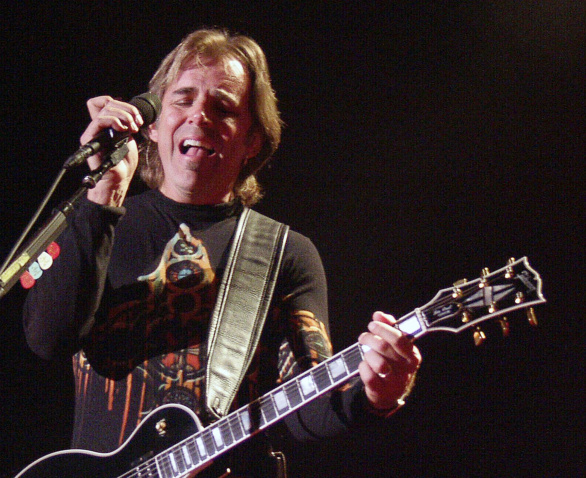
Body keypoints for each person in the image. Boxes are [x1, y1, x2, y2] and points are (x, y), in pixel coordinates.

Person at [21, 28, 421, 477]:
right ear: (150, 123)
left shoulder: (284, 254)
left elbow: (309, 408)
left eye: (223, 108)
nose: (199, 117)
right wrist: (103, 198)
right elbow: (47, 339)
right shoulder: (101, 222)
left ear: (252, 140)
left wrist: (376, 393)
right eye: (183, 99)